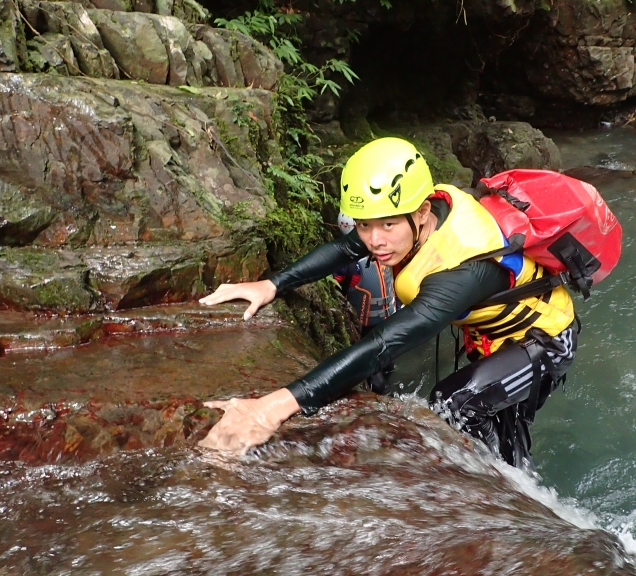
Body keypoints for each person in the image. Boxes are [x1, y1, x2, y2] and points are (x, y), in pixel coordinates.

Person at [198, 137, 578, 468]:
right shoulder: (418, 215)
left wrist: (273, 406)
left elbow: (381, 345)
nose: (374, 239)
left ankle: (519, 493)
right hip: (494, 334)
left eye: (387, 225)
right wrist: (272, 284)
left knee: (456, 403)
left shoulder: (462, 270)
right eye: (365, 224)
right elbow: (347, 248)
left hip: (545, 340)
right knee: (475, 410)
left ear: (421, 214)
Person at [333, 211, 398, 393]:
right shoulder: (348, 263)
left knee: (389, 368)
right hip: (365, 332)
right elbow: (335, 289)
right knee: (378, 385)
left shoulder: (387, 252)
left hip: (389, 323)